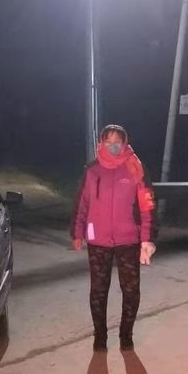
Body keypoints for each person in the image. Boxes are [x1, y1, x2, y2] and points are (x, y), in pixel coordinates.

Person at [72, 125, 157, 352]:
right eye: (108, 141)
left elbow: (147, 206)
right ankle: (100, 336)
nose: (112, 146)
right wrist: (77, 232)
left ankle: (126, 335)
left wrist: (147, 238)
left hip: (128, 241)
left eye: (117, 141)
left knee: (131, 290)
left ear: (124, 143)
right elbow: (82, 204)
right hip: (98, 242)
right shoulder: (92, 171)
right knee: (98, 291)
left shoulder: (135, 168)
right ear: (101, 143)